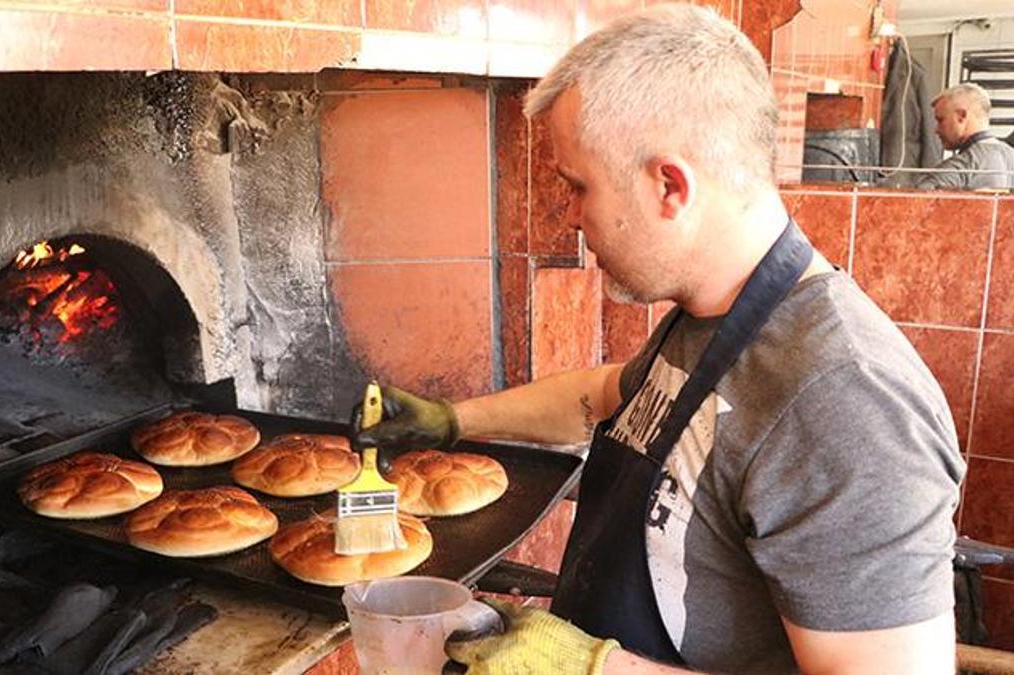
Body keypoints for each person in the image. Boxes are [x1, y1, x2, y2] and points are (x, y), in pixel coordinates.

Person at [351, 5, 964, 674]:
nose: (571, 216)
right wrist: (451, 421)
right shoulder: (712, 317)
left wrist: (591, 667)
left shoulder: (847, 400)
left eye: (578, 186)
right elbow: (606, 395)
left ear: (670, 185)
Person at [916, 82, 1014, 190]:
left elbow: (920, 194)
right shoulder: (1010, 155)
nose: (936, 130)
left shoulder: (966, 164)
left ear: (961, 116)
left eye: (941, 120)